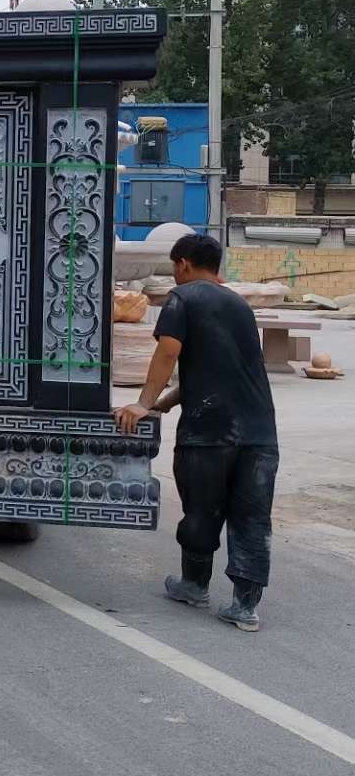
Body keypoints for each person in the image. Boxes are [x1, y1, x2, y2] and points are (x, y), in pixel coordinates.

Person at [114, 231, 278, 633]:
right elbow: (224, 368)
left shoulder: (183, 298)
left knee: (202, 511)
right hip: (260, 434)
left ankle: (194, 585)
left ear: (183, 264)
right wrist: (168, 402)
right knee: (252, 518)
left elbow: (168, 351)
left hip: (209, 435)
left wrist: (143, 402)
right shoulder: (239, 305)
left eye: (175, 267)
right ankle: (245, 606)